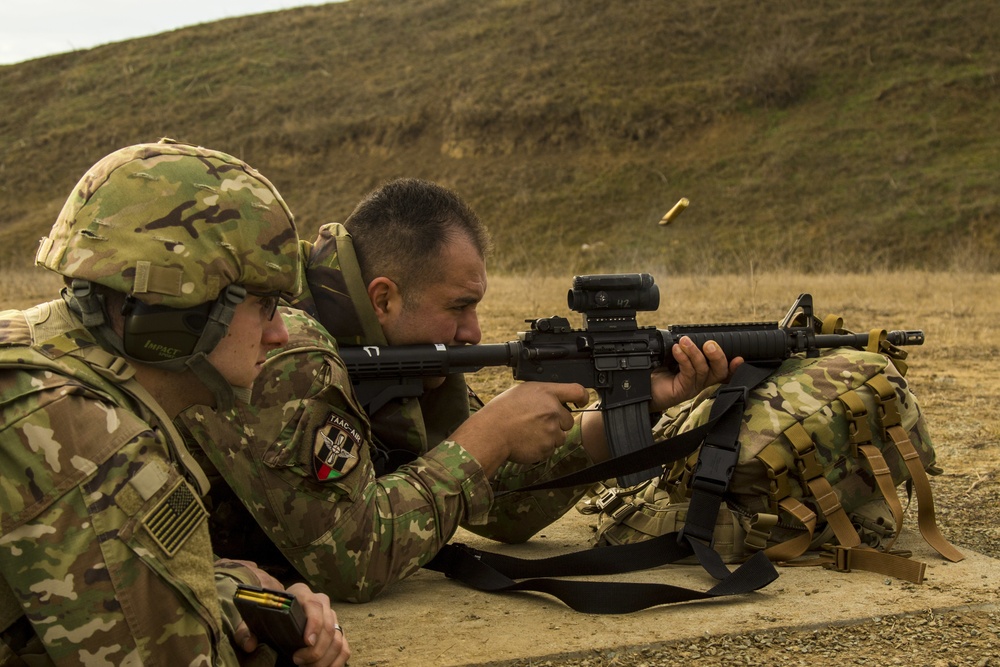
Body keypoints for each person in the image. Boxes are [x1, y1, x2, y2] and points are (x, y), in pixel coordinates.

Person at [177, 178, 737, 603]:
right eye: (459, 307)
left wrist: (622, 413)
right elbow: (354, 560)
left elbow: (502, 511)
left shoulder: (408, 352)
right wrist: (488, 434)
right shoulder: (289, 347)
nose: (473, 333)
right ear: (384, 298)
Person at [0, 140, 350, 666]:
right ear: (178, 313)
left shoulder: (29, 354)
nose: (280, 333)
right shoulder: (97, 453)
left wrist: (229, 593)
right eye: (264, 305)